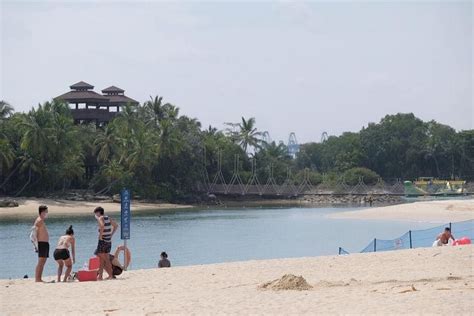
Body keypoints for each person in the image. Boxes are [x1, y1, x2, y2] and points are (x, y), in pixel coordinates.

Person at [94, 206, 118, 280]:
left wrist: (100, 236)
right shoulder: (108, 218)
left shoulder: (100, 218)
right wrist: (111, 234)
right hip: (108, 241)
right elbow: (116, 225)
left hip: (103, 240)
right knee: (102, 259)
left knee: (104, 257)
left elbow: (102, 225)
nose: (96, 215)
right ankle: (100, 276)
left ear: (98, 212)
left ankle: (110, 275)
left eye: (96, 213)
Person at [34, 205, 49, 282]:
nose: (47, 213)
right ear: (42, 212)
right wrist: (36, 245)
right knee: (40, 261)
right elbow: (34, 232)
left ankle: (39, 278)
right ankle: (37, 278)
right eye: (46, 212)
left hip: (45, 243)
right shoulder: (39, 220)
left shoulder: (42, 220)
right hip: (41, 243)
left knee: (43, 261)